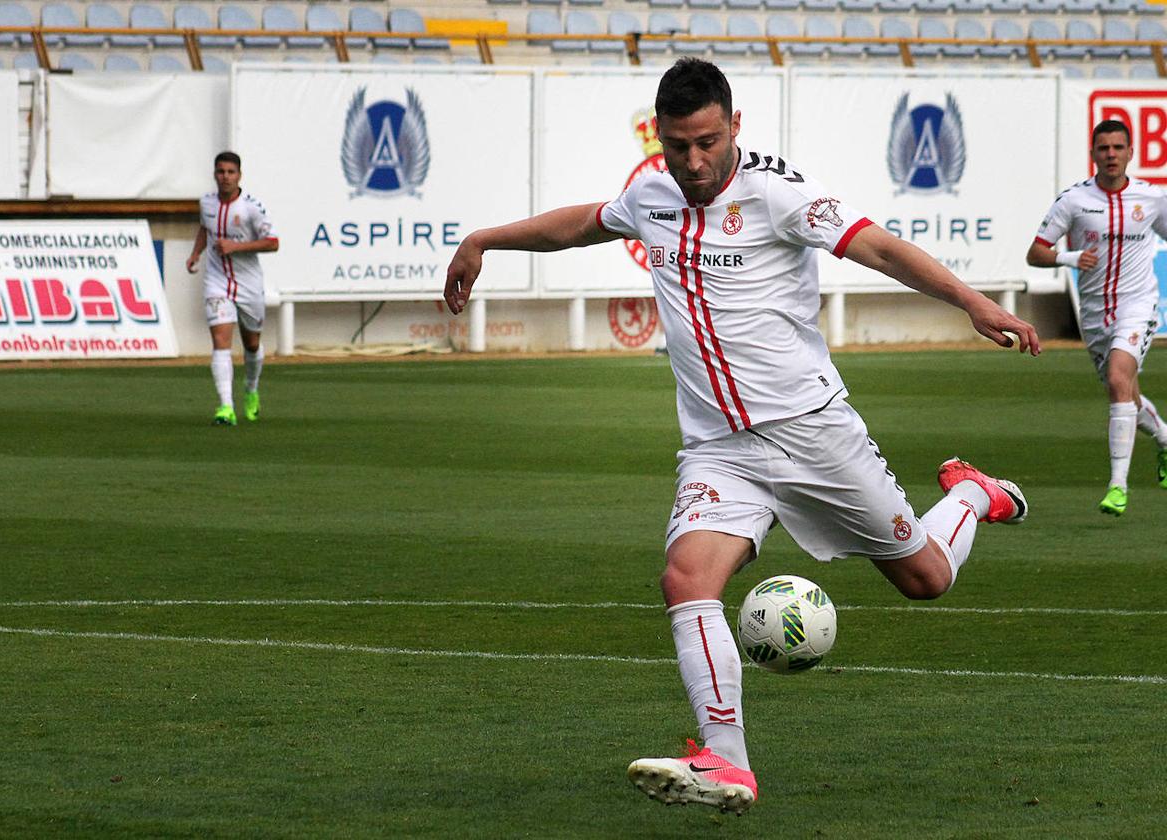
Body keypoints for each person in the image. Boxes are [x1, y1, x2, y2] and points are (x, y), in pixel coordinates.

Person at [444, 59, 1039, 815]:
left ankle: (971, 497)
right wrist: (484, 240)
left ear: (735, 128)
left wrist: (973, 304)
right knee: (686, 581)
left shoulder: (778, 194)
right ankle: (727, 764)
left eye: (707, 142)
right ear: (658, 137)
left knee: (925, 579)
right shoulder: (650, 192)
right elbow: (584, 223)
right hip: (718, 446)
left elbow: (879, 247)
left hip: (813, 434)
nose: (693, 161)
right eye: (676, 145)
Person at [1027, 119, 1167, 516]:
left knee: (1120, 380)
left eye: (1118, 148)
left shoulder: (1151, 198)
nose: (1111, 155)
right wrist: (1069, 257)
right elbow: (1035, 252)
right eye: (1103, 148)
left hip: (1138, 306)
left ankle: (1117, 486)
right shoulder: (1073, 201)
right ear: (1093, 154)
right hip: (1094, 316)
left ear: (1130, 152)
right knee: (1125, 394)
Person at [186, 151, 279, 426]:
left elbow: (273, 242)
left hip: (248, 284)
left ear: (239, 175)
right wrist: (196, 254)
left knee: (252, 344)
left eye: (230, 172)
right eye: (220, 171)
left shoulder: (251, 208)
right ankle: (225, 406)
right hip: (217, 282)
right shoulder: (206, 203)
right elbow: (205, 228)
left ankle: (251, 389)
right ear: (214, 174)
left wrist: (236, 247)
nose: (225, 177)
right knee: (220, 341)